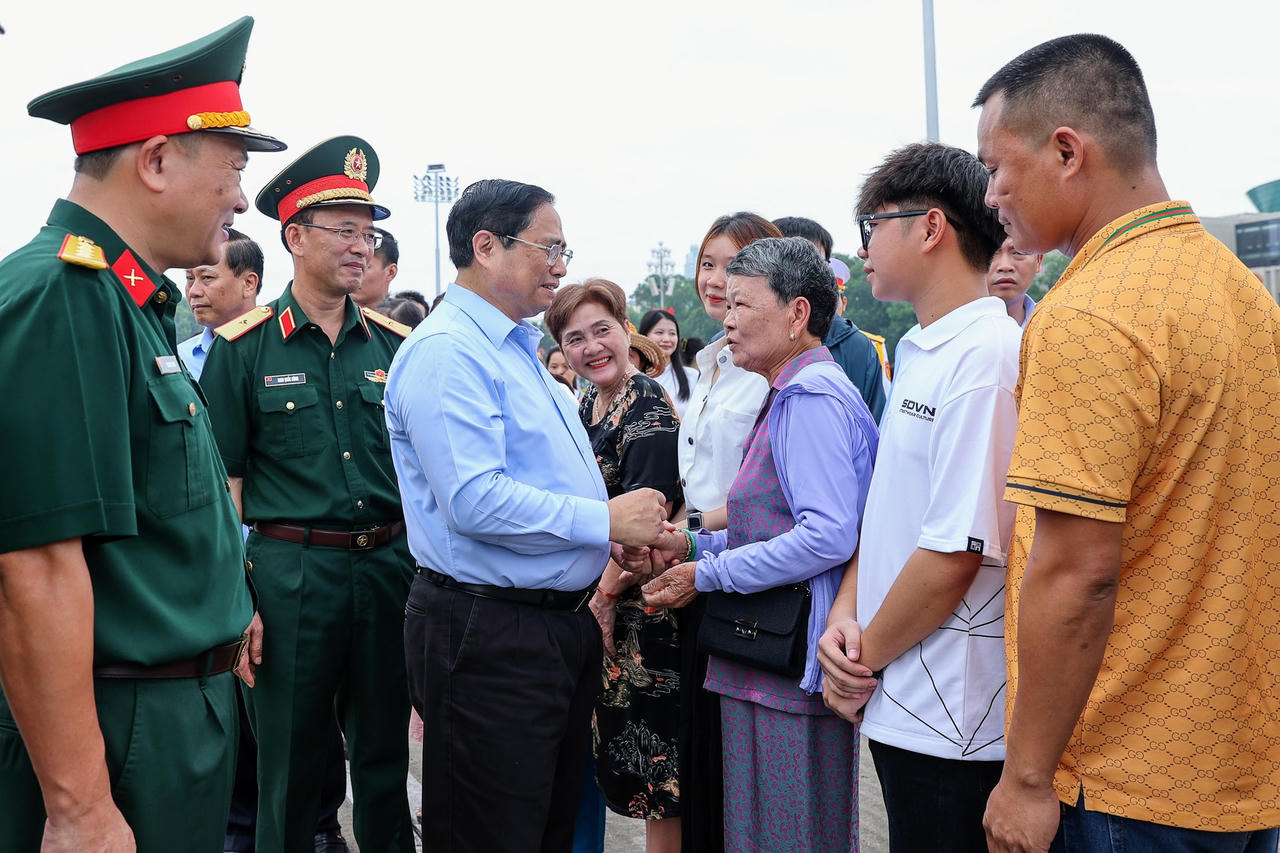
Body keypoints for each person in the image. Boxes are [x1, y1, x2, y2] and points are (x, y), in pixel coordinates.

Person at [974, 34, 1280, 852]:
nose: (992, 194)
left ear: (1067, 151)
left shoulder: (1089, 313)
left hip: (1118, 780)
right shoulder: (1241, 293)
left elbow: (1078, 572)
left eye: (997, 167)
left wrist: (1028, 778)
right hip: (1240, 773)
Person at [0, 17, 284, 852]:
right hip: (117, 735)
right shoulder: (63, 297)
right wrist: (80, 807)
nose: (240, 200)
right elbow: (34, 568)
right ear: (157, 161)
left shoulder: (125, 300)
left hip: (166, 714)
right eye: (233, 171)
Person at [385, 178, 667, 853]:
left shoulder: (512, 351)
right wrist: (604, 522)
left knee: (543, 829)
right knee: (493, 833)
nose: (561, 265)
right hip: (490, 631)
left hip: (544, 629)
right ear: (487, 245)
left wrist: (609, 539)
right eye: (550, 247)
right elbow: (476, 499)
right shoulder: (448, 352)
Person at [199, 135, 416, 853]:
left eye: (369, 231)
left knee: (384, 764)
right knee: (288, 770)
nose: (362, 246)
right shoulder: (243, 348)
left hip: (387, 569)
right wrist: (239, 602)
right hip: (291, 577)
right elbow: (222, 489)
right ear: (294, 236)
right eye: (345, 230)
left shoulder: (393, 346)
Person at [641, 236, 878, 852]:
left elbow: (827, 534)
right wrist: (694, 545)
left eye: (743, 304)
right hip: (760, 650)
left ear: (797, 314)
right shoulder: (789, 391)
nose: (727, 318)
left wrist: (708, 575)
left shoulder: (812, 399)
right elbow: (765, 519)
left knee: (788, 830)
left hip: (785, 654)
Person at [818, 142, 1018, 852]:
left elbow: (954, 553)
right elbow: (891, 512)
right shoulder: (920, 348)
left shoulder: (987, 357)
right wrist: (846, 613)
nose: (862, 245)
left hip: (953, 717)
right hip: (899, 692)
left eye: (871, 223)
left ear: (930, 227)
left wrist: (861, 657)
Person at [546, 280, 684, 852]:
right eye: (574, 338)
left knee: (657, 776)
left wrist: (603, 599)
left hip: (641, 614)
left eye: (602, 330)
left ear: (626, 330)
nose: (591, 347)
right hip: (600, 610)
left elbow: (649, 519)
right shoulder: (585, 404)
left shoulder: (645, 401)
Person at [672, 211, 780, 853]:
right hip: (695, 567)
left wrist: (682, 527)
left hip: (739, 573)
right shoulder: (709, 363)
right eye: (708, 264)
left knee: (730, 763)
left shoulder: (771, 371)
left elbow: (763, 497)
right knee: (698, 757)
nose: (716, 280)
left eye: (733, 266)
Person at [774, 215, 888, 420]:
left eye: (819, 264)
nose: (809, 275)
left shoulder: (855, 347)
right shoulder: (736, 343)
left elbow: (873, 428)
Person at [179, 228, 263, 376]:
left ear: (249, 284)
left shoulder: (282, 352)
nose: (193, 291)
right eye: (190, 279)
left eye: (207, 277)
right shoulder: (179, 359)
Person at [640, 308, 699, 417]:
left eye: (672, 333)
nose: (666, 339)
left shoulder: (692, 376)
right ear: (644, 336)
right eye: (659, 333)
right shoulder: (634, 377)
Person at [986, 236, 1042, 328]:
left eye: (1018, 252)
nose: (1005, 266)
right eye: (992, 252)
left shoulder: (1055, 327)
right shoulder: (957, 329)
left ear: (1039, 261)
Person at [354, 226, 398, 308]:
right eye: (352, 265)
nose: (354, 272)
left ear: (391, 272)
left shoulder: (402, 317)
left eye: (364, 267)